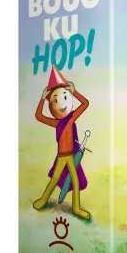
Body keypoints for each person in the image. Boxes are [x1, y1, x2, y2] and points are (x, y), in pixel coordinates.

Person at [33, 66, 90, 220]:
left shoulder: (72, 118)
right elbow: (38, 116)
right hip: (61, 157)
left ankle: (76, 208)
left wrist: (74, 91)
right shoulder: (57, 123)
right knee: (54, 179)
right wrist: (42, 98)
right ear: (51, 106)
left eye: (65, 97)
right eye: (55, 100)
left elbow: (85, 103)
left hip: (70, 156)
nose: (62, 104)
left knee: (75, 181)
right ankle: (42, 201)